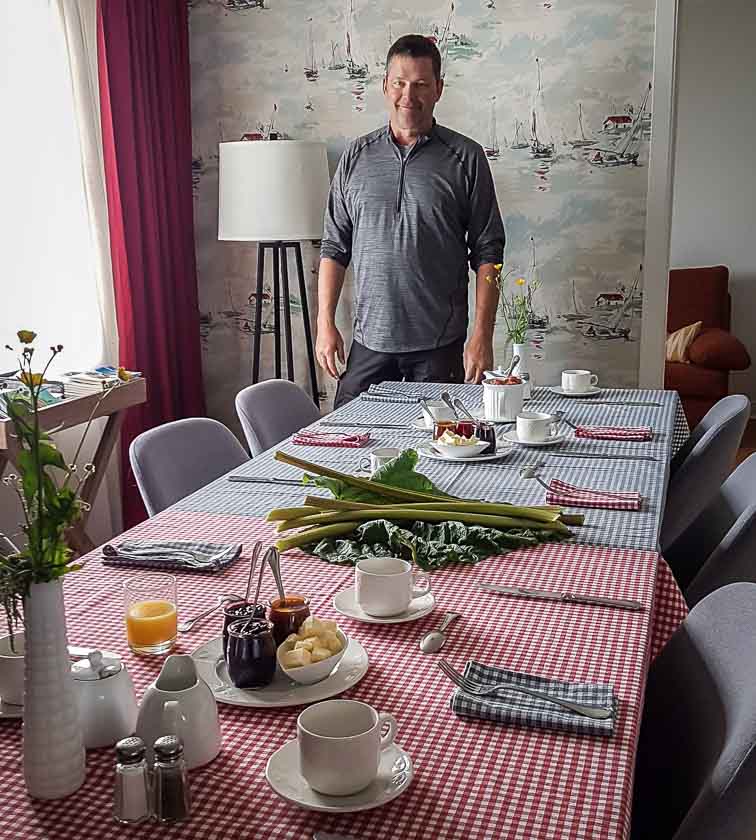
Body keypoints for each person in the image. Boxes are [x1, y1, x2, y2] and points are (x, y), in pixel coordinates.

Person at [316, 34, 505, 408]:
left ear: (438, 89)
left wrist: (482, 335)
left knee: (443, 455)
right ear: (385, 86)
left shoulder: (466, 157)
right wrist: (325, 323)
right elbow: (334, 249)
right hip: (369, 343)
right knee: (347, 449)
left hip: (439, 348)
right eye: (400, 83)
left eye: (420, 84)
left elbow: (489, 252)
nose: (409, 95)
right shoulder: (356, 157)